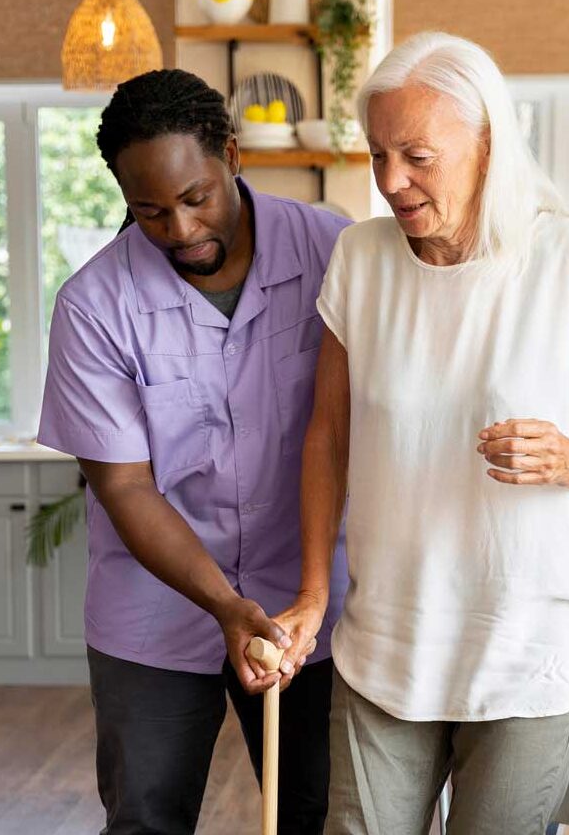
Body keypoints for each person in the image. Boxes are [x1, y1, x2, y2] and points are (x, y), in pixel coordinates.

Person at [274, 33, 569, 835]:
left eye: (417, 154)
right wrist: (315, 590)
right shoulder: (360, 258)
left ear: (487, 141)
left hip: (530, 639)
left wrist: (568, 458)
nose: (389, 182)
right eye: (378, 154)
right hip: (387, 637)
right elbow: (327, 437)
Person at [37, 69, 350, 835]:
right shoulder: (93, 306)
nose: (178, 230)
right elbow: (127, 489)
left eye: (194, 199)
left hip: (311, 602)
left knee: (324, 811)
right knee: (146, 816)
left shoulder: (334, 251)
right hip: (152, 609)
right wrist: (222, 605)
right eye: (148, 211)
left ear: (233, 157)